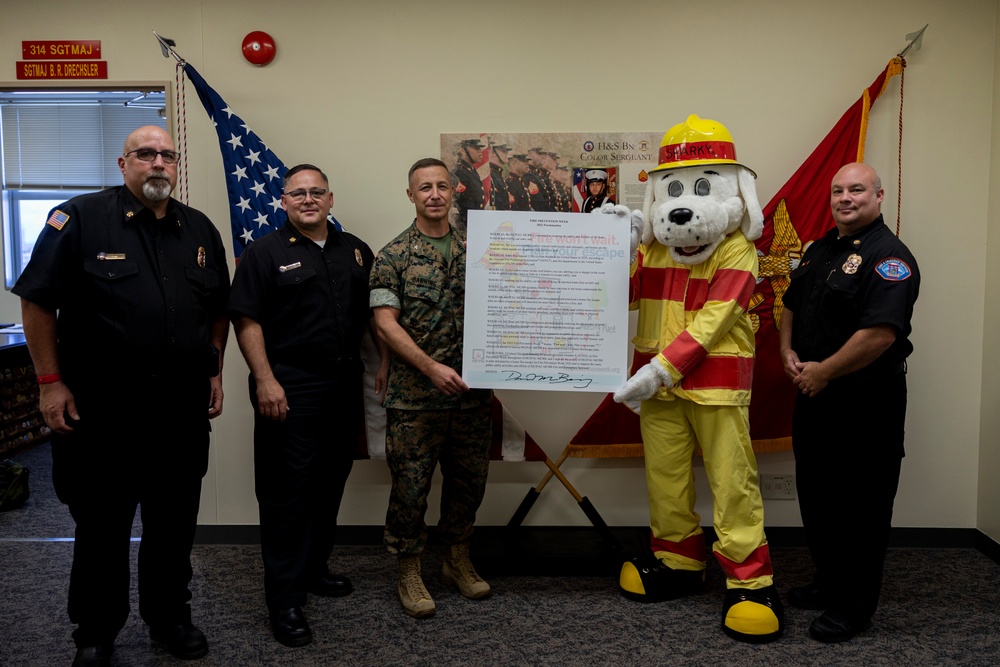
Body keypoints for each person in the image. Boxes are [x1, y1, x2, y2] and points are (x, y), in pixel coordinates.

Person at [13, 125, 230, 667]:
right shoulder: (80, 218)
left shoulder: (199, 229)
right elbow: (38, 301)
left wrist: (214, 370)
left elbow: (217, 310)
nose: (158, 163)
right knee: (103, 528)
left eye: (167, 155)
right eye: (146, 154)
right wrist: (49, 382)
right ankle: (95, 631)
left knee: (173, 525)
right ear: (123, 162)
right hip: (104, 412)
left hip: (179, 414)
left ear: (176, 165)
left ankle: (170, 618)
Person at [228, 164, 387, 647]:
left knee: (328, 483)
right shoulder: (264, 253)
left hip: (342, 386)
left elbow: (364, 318)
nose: (308, 200)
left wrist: (380, 362)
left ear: (331, 199)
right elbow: (246, 320)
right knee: (286, 493)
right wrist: (265, 380)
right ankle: (284, 598)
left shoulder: (354, 250)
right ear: (283, 201)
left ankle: (314, 569)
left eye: (317, 192)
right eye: (298, 193)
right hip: (289, 387)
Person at [780, 162, 920, 643]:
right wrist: (788, 353)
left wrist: (824, 371)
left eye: (856, 189)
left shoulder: (889, 258)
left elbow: (880, 334)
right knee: (818, 498)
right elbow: (791, 305)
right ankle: (828, 583)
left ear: (879, 196)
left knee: (862, 509)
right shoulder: (820, 250)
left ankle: (855, 607)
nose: (845, 197)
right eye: (838, 189)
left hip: (865, 403)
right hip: (814, 395)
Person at [369, 157, 494, 618]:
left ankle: (456, 560)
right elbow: (385, 323)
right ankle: (409, 568)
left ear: (454, 191)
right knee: (411, 487)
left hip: (471, 395)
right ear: (411, 195)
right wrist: (430, 367)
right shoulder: (394, 255)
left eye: (442, 186)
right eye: (425, 187)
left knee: (468, 484)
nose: (435, 194)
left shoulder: (479, 249)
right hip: (415, 399)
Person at [452, 138, 487, 229]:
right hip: (466, 225)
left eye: (480, 149)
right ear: (463, 150)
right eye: (476, 148)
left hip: (475, 222)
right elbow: (462, 204)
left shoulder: (470, 170)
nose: (480, 152)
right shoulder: (459, 172)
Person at [487, 144, 512, 211]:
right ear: (492, 153)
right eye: (504, 152)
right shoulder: (490, 174)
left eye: (507, 152)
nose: (507, 154)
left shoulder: (498, 173)